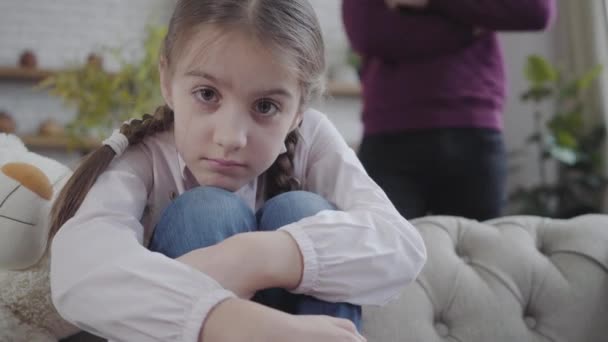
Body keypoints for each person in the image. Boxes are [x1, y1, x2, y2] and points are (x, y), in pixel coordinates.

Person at [48, 1, 427, 341]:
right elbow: (80, 268)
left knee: (302, 211)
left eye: (265, 106)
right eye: (207, 95)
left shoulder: (312, 138)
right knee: (207, 210)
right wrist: (225, 320)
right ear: (167, 80)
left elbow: (401, 245)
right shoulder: (145, 154)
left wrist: (254, 257)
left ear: (298, 110)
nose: (230, 138)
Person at [342, 0, 556, 220]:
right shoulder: (470, 30)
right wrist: (468, 28)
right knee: (385, 250)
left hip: (472, 129)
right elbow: (366, 31)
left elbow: (536, 11)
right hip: (390, 133)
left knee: (479, 250)